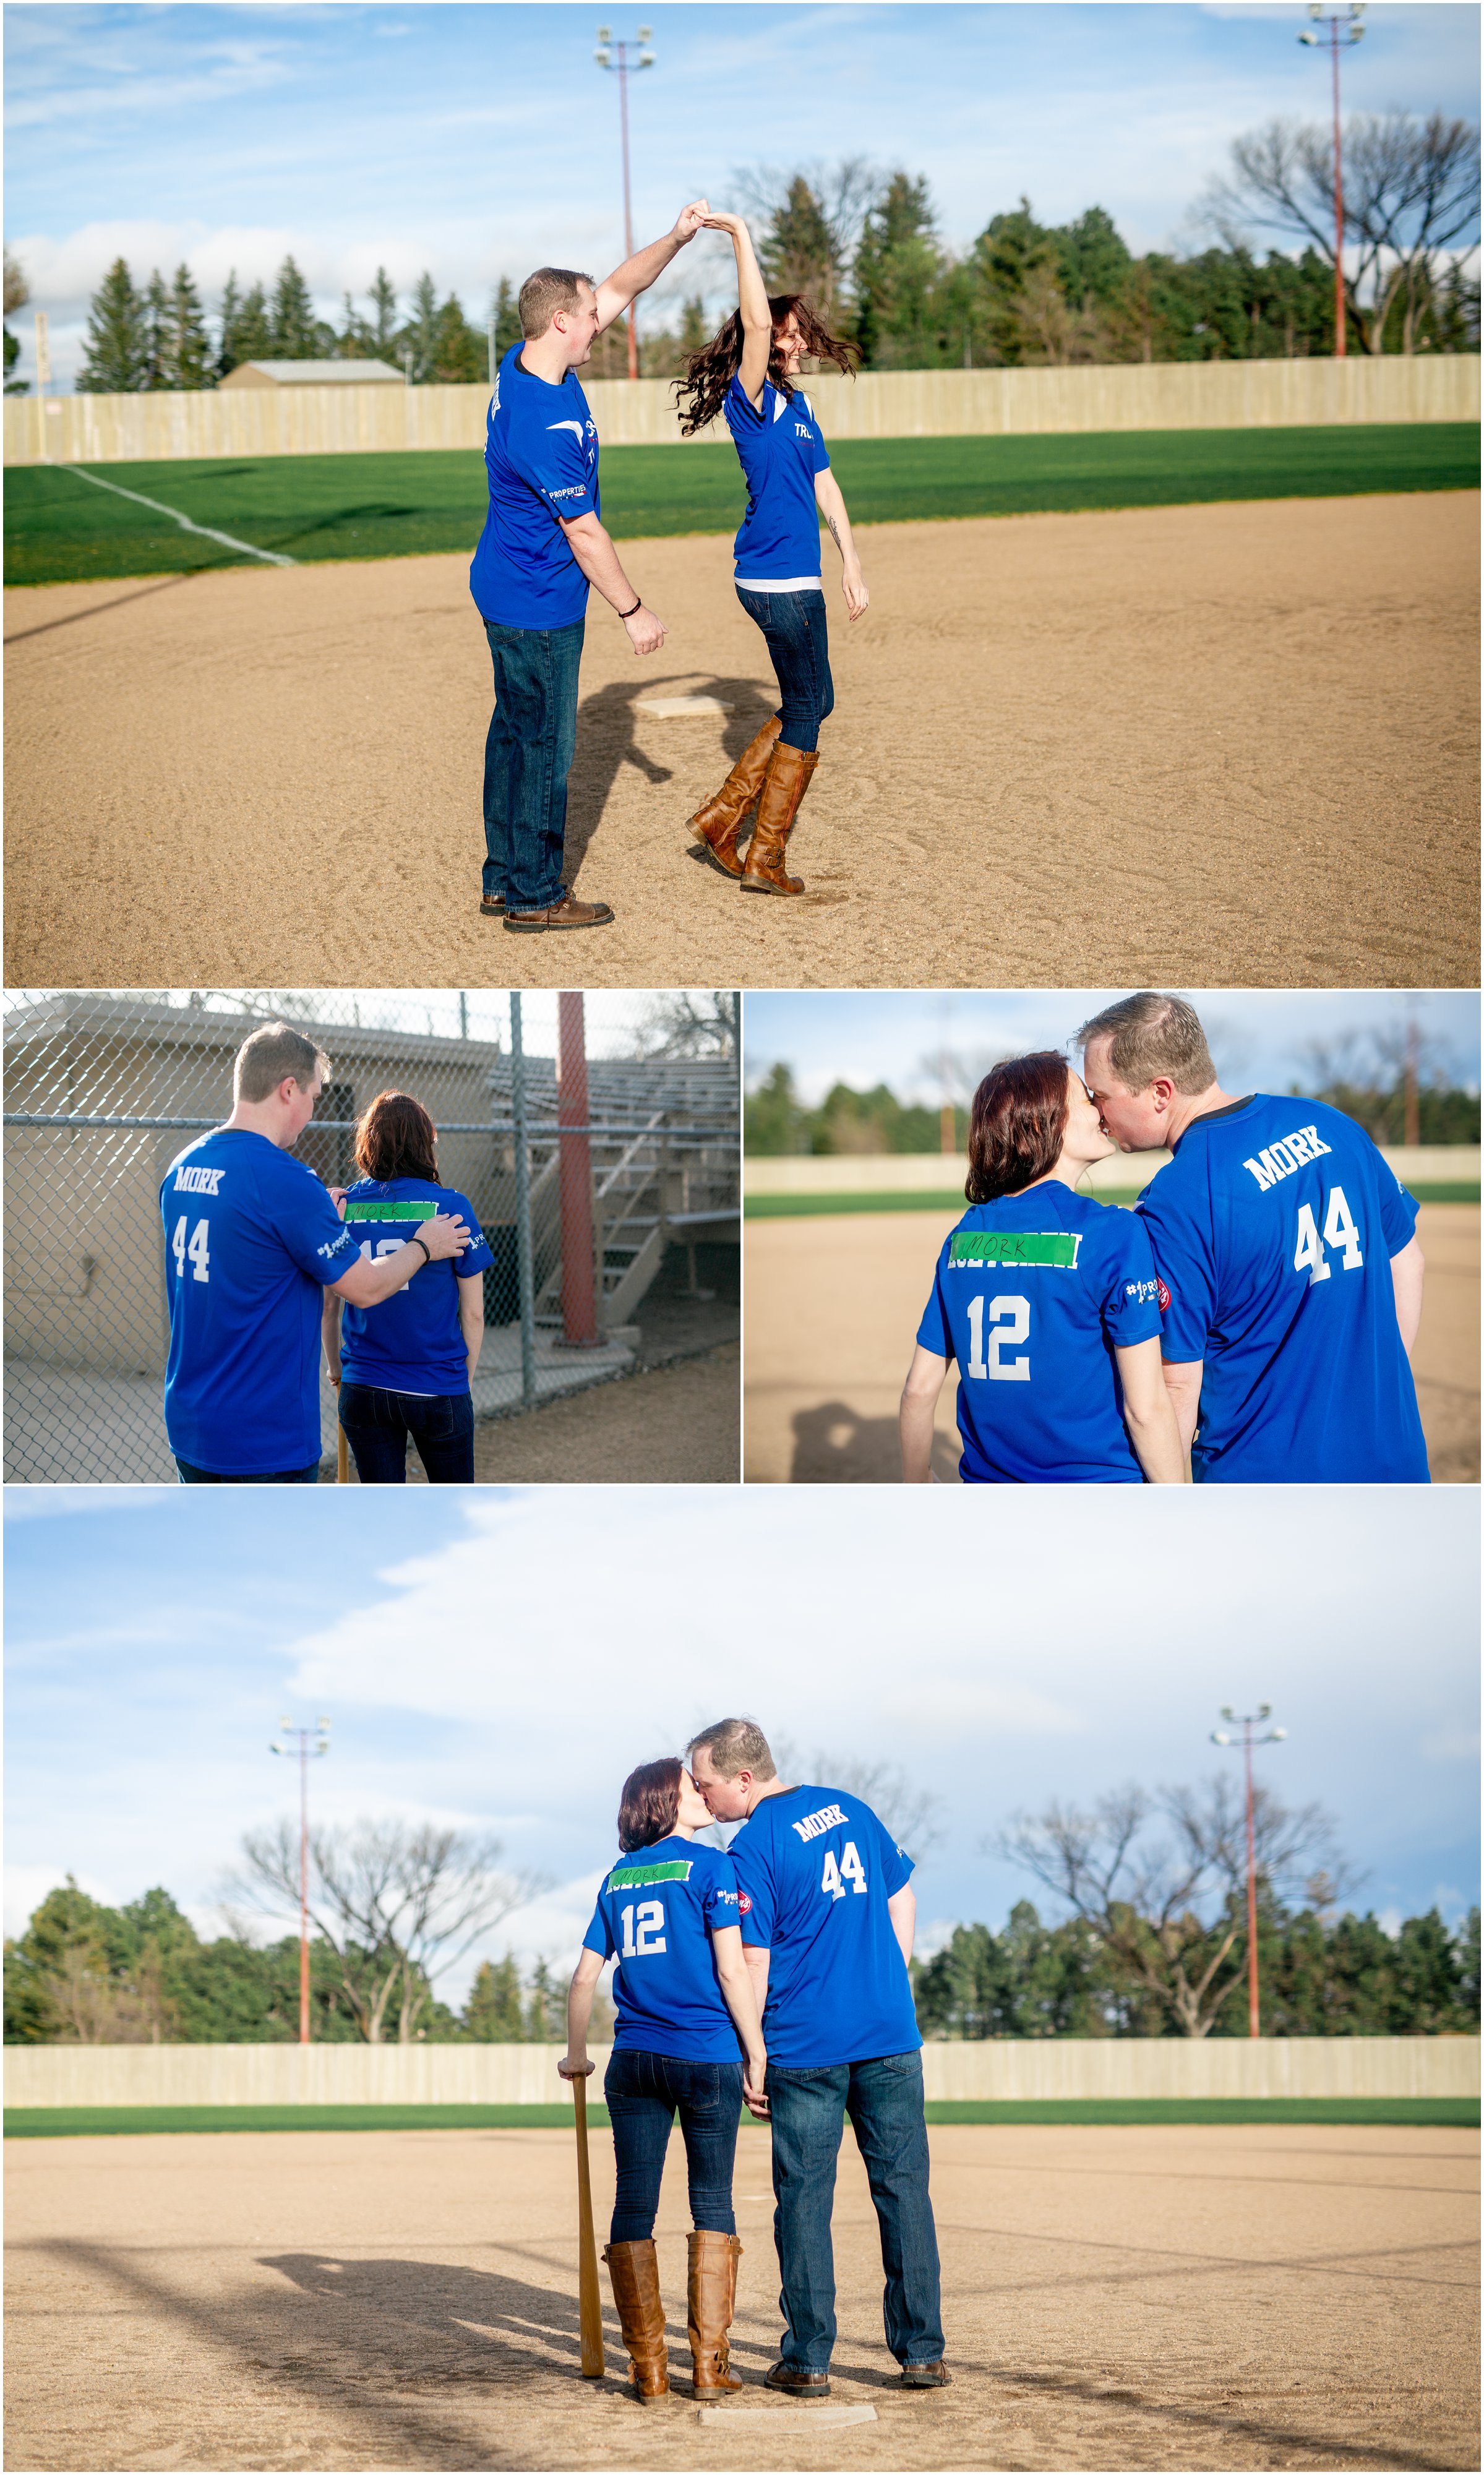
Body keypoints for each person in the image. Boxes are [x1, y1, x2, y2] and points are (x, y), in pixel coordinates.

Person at [687, 1718, 948, 2398]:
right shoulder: (852, 1808)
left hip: (805, 2048)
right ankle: (920, 2352)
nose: (701, 1795)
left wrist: (754, 2053)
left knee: (803, 2201)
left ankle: (807, 2359)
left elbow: (753, 1959)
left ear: (743, 1778)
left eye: (705, 1782)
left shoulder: (753, 1846)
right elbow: (903, 1899)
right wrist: (886, 1985)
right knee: (903, 2192)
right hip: (890, 2035)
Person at [471, 202, 709, 935]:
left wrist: (673, 238)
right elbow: (584, 532)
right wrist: (634, 611)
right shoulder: (539, 421)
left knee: (513, 732)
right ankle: (536, 895)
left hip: (505, 582)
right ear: (560, 324)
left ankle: (502, 879)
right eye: (588, 317)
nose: (600, 322)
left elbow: (619, 287)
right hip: (537, 598)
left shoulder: (527, 363)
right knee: (545, 745)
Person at [1079, 991, 1430, 1483]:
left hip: (1266, 1491)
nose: (1096, 1112)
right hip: (1395, 1461)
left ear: (1160, 1092)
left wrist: (1154, 1515)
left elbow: (1176, 1388)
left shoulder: (1177, 1198)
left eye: (1100, 1095)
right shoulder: (1330, 1122)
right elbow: (1407, 1261)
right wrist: (1376, 1398)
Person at [160, 1024, 470, 1483]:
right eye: (313, 1095)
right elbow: (366, 1288)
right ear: (288, 1090)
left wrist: (312, 1217)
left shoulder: (182, 1165)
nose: (311, 1111)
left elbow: (249, 1247)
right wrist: (425, 1245)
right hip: (263, 1439)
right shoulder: (286, 1180)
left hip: (191, 1422)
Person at [561, 1757, 768, 2406]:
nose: (701, 1794)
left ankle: (647, 2369)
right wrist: (754, 2050)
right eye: (690, 1787)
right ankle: (708, 2366)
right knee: (712, 2198)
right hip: (704, 2054)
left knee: (633, 2202)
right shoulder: (711, 1865)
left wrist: (575, 2053)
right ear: (665, 1801)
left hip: (633, 2060)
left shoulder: (617, 1876)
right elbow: (733, 1971)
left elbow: (583, 1978)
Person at [672, 213, 867, 896]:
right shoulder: (748, 397)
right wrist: (739, 234)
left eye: (798, 331)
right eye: (790, 329)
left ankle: (724, 816)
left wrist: (851, 562)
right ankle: (762, 855)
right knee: (811, 705)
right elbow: (754, 325)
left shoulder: (799, 405)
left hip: (793, 577)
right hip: (776, 581)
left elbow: (825, 484)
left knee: (811, 699)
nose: (799, 337)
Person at [901, 1054, 1187, 1485]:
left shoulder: (963, 1235)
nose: (1100, 1109)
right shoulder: (1113, 1233)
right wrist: (1183, 1507)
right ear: (1041, 1125)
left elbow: (919, 1390)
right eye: (1085, 1099)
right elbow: (1145, 1409)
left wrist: (916, 1480)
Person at [321, 1091, 494, 1485]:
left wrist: (336, 1369)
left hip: (363, 1385)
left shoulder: (342, 1206)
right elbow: (474, 1313)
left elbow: (330, 1306)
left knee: (385, 1520)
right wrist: (461, 1384)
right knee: (452, 1513)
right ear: (425, 1142)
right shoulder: (452, 1206)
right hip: (438, 1384)